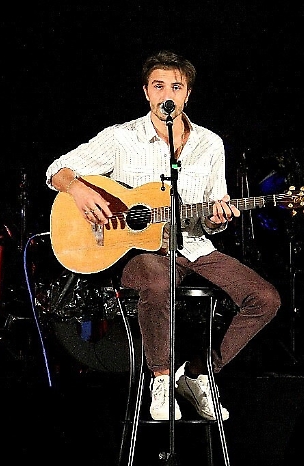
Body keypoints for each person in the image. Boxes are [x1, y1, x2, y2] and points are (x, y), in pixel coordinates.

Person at [45, 50, 281, 421]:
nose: (167, 94)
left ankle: (200, 374)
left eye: (176, 87)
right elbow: (57, 170)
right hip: (138, 253)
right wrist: (79, 189)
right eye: (158, 86)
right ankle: (161, 378)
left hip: (195, 246)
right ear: (146, 92)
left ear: (188, 94)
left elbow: (213, 211)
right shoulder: (121, 138)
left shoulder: (210, 144)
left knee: (265, 298)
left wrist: (217, 219)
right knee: (159, 280)